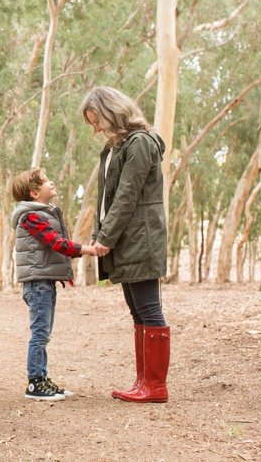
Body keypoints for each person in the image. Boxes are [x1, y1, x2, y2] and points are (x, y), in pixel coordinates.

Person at [81, 86, 171, 403]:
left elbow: (128, 196)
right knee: (137, 311)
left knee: (149, 309)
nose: (97, 129)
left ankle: (156, 386)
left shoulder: (141, 143)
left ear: (113, 111)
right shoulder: (113, 149)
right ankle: (143, 381)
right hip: (124, 238)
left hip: (141, 237)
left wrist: (106, 238)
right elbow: (106, 199)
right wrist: (98, 233)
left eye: (98, 121)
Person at [10, 168, 96, 401]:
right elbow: (55, 243)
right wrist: (88, 250)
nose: (52, 182)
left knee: (44, 333)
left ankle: (42, 379)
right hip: (38, 283)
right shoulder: (31, 217)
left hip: (44, 282)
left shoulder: (42, 213)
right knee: (40, 334)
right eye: (47, 181)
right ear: (34, 193)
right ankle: (34, 383)